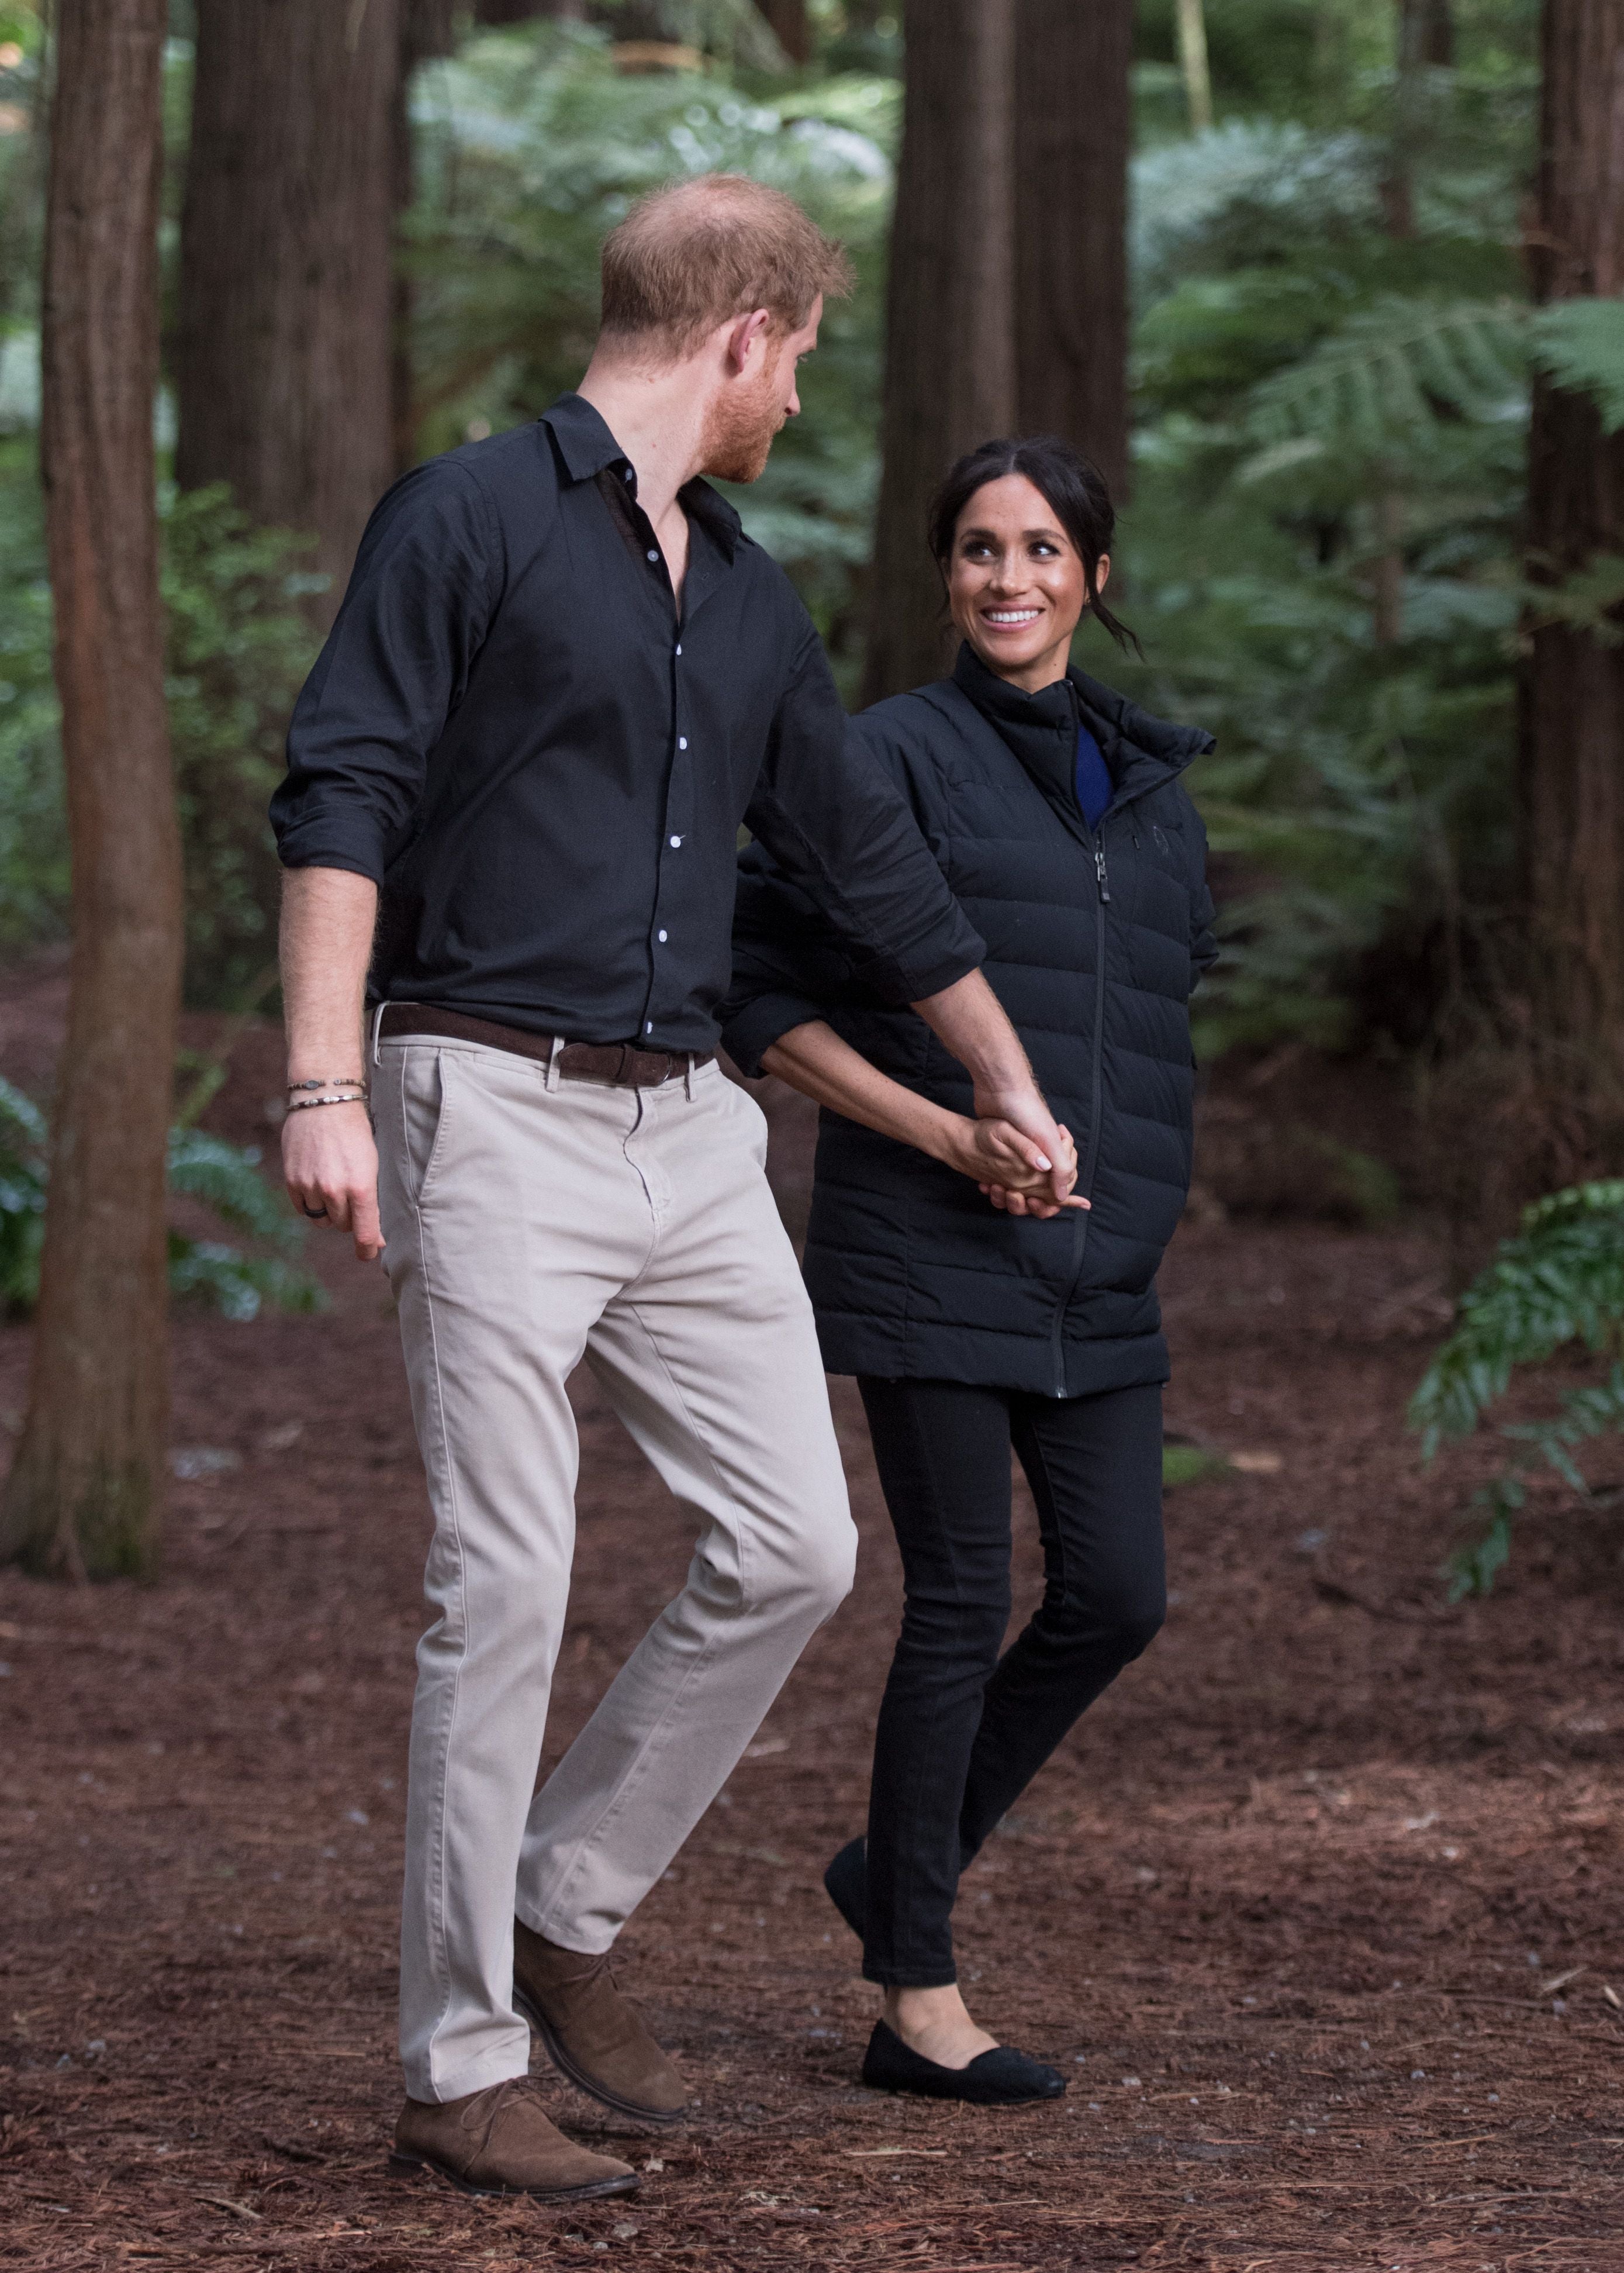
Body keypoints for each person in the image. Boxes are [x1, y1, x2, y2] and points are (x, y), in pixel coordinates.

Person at [271, 178, 1079, 2202]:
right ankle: (457, 2062)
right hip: (485, 1102)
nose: (799, 396)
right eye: (797, 352)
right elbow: (344, 783)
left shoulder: (743, 587)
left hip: (692, 1126)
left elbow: (856, 862)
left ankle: (562, 1906)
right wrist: (318, 1080)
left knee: (797, 1543)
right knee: (506, 1589)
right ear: (737, 333)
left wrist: (998, 1071)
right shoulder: (461, 517)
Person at [721, 434, 1217, 2106]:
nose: (1007, 579)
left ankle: (896, 1859)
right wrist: (943, 1138)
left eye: (1040, 550)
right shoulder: (882, 761)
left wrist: (1125, 1195)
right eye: (978, 551)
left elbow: (1147, 1027)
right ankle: (912, 1993)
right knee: (954, 1606)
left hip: (1101, 1261)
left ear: (1093, 574)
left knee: (1116, 1596)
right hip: (925, 1240)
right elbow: (760, 1000)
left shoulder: (1149, 795)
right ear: (945, 575)